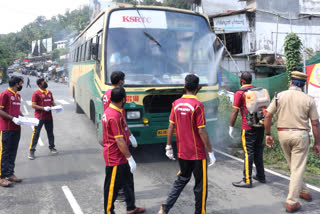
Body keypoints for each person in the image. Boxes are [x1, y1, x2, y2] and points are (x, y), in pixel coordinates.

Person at [157, 74, 216, 214]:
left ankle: (164, 209)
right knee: (200, 186)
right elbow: (201, 131)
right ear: (197, 88)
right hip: (197, 154)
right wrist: (211, 152)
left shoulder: (176, 103)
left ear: (184, 87)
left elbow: (170, 126)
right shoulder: (198, 106)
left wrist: (168, 146)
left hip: (182, 152)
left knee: (181, 180)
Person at [264, 71, 320, 213]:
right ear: (303, 84)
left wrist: (268, 134)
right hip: (300, 136)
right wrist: (317, 143)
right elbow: (315, 124)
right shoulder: (309, 99)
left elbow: (268, 115)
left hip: (283, 134)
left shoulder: (279, 96)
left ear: (291, 82)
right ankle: (291, 202)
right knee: (297, 167)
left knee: (293, 166)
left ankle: (304, 190)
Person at [102, 87, 145, 214]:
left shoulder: (116, 110)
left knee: (128, 182)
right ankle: (108, 211)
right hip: (115, 156)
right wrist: (130, 158)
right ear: (123, 99)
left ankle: (131, 207)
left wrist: (130, 136)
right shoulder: (114, 115)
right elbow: (119, 140)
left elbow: (124, 127)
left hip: (121, 155)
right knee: (112, 188)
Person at [229, 72, 265, 188]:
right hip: (260, 125)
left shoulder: (239, 93)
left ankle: (247, 180)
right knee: (258, 151)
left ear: (242, 81)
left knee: (248, 153)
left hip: (248, 127)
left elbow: (234, 111)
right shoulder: (257, 91)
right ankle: (261, 176)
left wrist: (231, 127)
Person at [0, 76, 24, 187]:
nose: (21, 86)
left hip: (16, 128)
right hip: (7, 128)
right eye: (20, 83)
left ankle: (10, 174)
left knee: (13, 151)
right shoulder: (5, 94)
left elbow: (16, 109)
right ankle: (1, 177)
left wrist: (23, 118)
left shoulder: (17, 95)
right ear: (16, 84)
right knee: (5, 152)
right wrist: (12, 118)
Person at [28, 78, 58, 160]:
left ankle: (52, 147)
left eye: (45, 81)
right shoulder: (36, 94)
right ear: (40, 85)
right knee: (36, 134)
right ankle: (32, 151)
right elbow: (33, 105)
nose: (45, 83)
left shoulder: (49, 92)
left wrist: (57, 107)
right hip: (39, 117)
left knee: (50, 132)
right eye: (43, 82)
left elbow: (52, 102)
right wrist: (43, 108)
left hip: (49, 117)